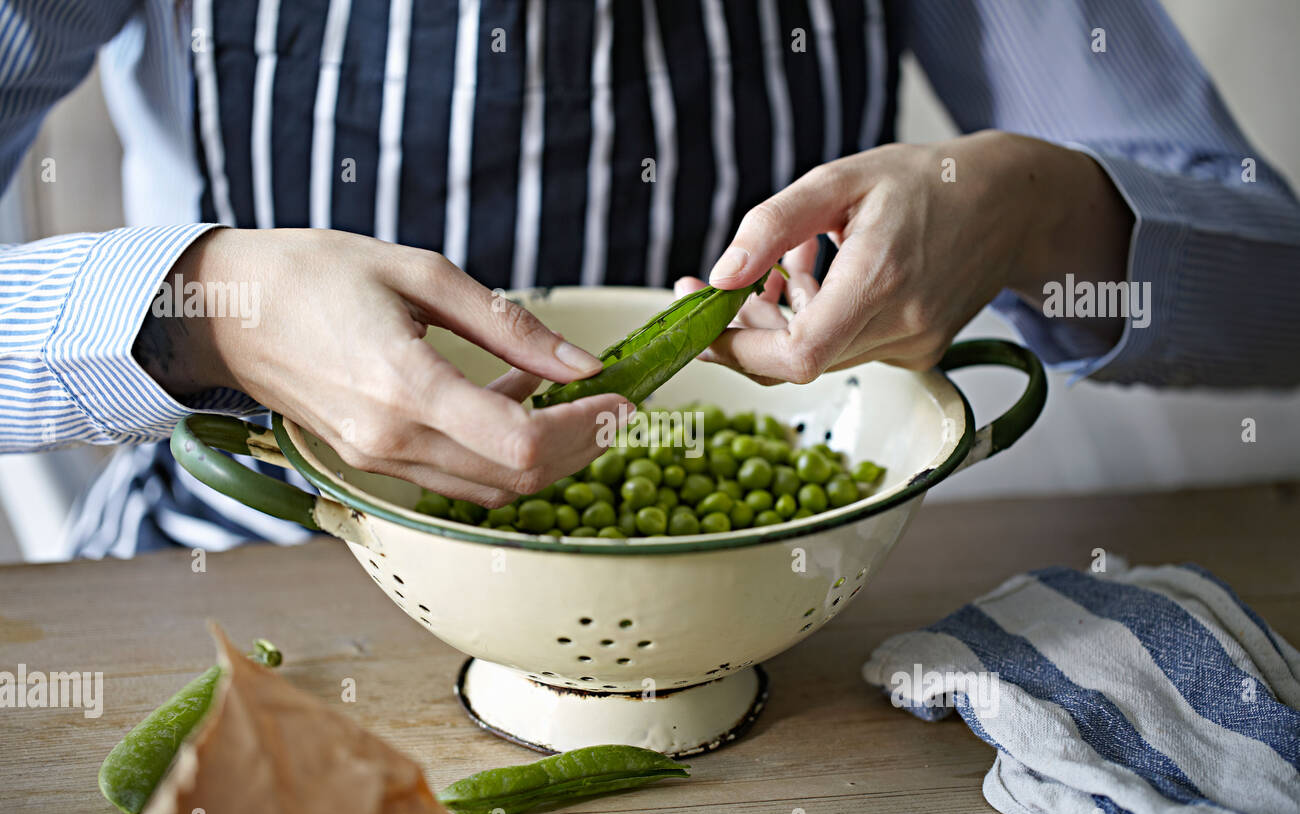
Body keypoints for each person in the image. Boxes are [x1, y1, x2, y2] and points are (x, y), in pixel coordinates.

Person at [1, 0, 1296, 558]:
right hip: (257, 554)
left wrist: (1030, 206)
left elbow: (1276, 281)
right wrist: (199, 308)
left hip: (774, 574)